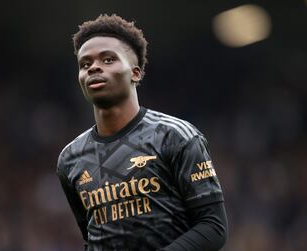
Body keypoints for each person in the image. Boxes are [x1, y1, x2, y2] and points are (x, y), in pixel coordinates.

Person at [57, 14, 228, 251]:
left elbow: (213, 227)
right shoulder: (69, 158)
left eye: (108, 60)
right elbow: (91, 238)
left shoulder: (176, 136)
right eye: (85, 64)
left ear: (135, 73)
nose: (94, 67)